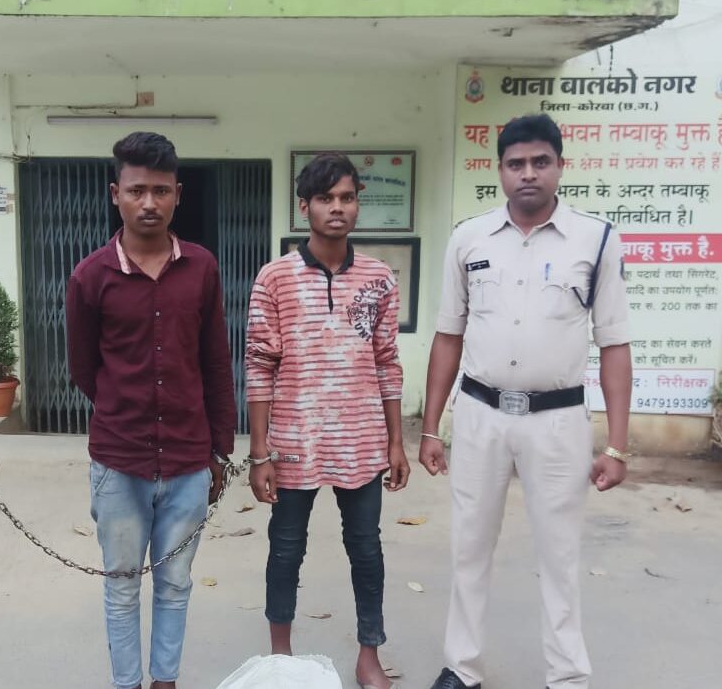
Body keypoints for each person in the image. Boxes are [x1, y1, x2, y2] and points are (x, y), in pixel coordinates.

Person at [420, 113, 632, 689]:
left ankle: (567, 676)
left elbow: (614, 343)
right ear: (500, 171)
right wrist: (431, 427)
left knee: (560, 555)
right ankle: (462, 667)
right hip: (481, 414)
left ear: (560, 166)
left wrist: (616, 444)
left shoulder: (596, 239)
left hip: (557, 421)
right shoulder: (469, 238)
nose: (529, 173)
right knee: (469, 546)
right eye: (516, 164)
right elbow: (448, 335)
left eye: (541, 162)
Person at [65, 131, 236, 689]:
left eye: (161, 191)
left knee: (175, 583)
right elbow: (84, 369)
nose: (149, 203)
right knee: (121, 584)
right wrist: (126, 410)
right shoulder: (90, 276)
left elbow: (215, 362)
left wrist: (219, 449)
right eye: (137, 190)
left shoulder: (202, 269)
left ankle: (166, 681)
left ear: (177, 195)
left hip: (189, 460)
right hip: (119, 462)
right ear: (115, 193)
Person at [245, 153, 410, 689]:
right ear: (305, 207)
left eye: (347, 198)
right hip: (294, 442)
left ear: (358, 204)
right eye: (325, 198)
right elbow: (259, 366)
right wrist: (260, 452)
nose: (337, 208)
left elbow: (387, 362)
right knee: (285, 548)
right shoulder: (274, 277)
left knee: (366, 547)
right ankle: (281, 656)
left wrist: (396, 443)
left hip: (362, 441)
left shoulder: (379, 278)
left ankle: (369, 654)